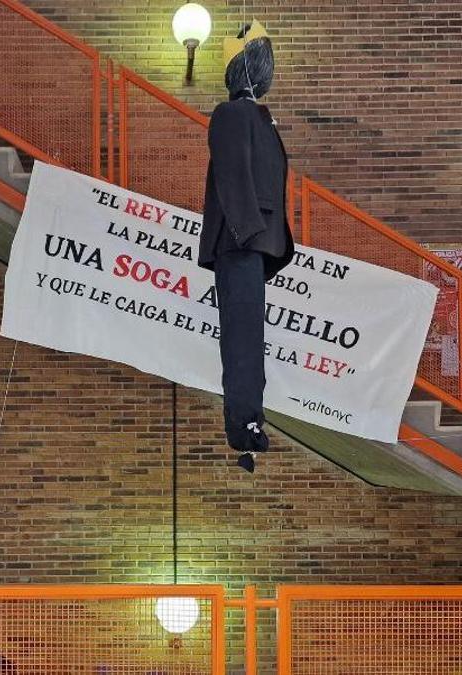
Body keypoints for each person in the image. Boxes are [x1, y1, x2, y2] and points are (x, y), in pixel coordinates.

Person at [198, 20, 294, 474]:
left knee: (250, 341)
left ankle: (251, 420)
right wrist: (246, 231)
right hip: (241, 241)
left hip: (253, 244)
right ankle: (242, 426)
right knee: (240, 341)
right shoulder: (231, 114)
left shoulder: (257, 117)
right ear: (254, 68)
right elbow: (233, 175)